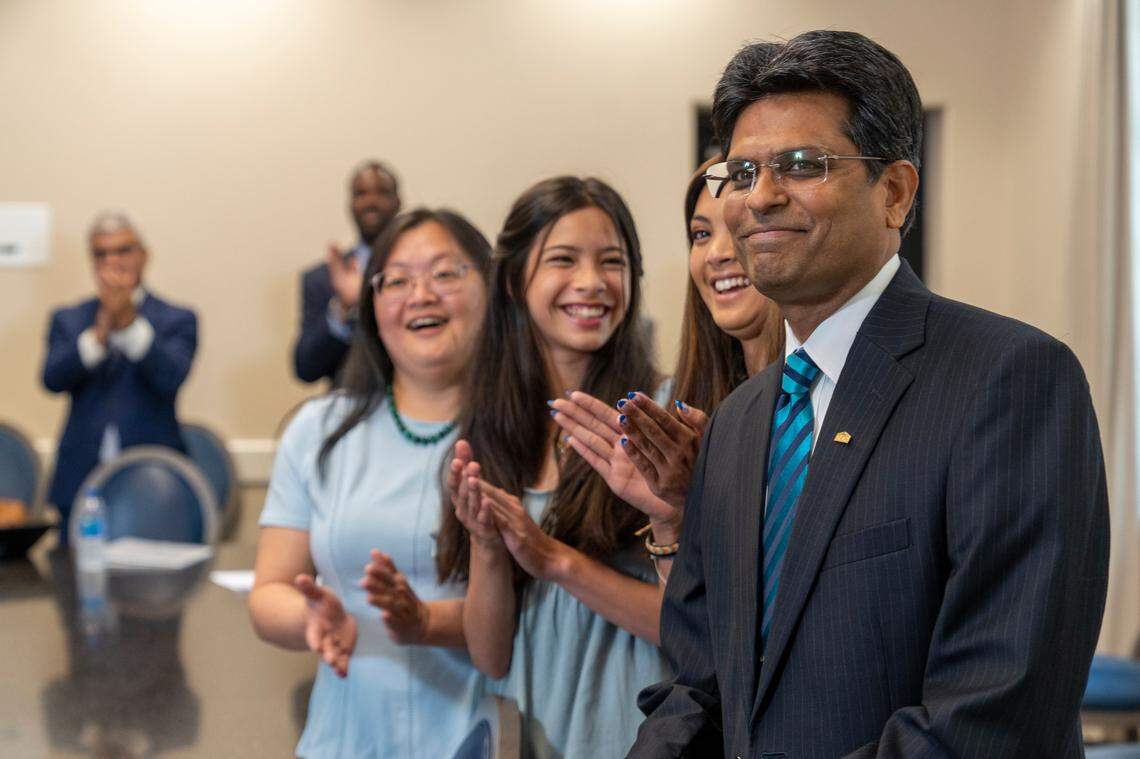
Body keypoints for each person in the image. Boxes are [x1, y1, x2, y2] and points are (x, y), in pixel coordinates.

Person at [631, 30, 1110, 758]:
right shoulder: (738, 423)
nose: (760, 197)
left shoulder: (1010, 381)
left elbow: (992, 716)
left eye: (802, 164)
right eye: (742, 170)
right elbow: (696, 683)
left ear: (894, 192)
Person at [431, 176, 671, 758]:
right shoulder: (488, 436)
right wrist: (489, 546)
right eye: (563, 260)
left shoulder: (662, 420)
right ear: (515, 281)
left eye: (611, 262)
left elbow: (689, 626)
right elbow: (490, 656)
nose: (591, 283)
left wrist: (556, 561)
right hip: (527, 738)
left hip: (634, 736)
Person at [250, 208, 491, 758]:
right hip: (344, 738)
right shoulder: (319, 430)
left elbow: (541, 609)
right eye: (397, 280)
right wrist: (309, 615)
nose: (420, 294)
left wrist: (427, 621)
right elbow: (269, 591)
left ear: (492, 289)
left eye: (445, 273)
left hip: (478, 734)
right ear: (373, 307)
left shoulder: (526, 434)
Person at [549, 154, 785, 582]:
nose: (716, 254)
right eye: (700, 234)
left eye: (738, 228)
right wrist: (670, 517)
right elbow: (690, 629)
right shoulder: (696, 405)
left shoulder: (812, 405)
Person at [42, 212, 198, 537]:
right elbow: (52, 379)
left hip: (155, 480)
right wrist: (97, 336)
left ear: (143, 254)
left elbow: (170, 377)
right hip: (78, 480)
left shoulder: (176, 319)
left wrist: (127, 322)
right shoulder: (69, 319)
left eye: (123, 250)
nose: (112, 260)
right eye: (101, 253)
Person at [293, 160, 401, 384]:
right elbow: (305, 368)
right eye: (361, 194)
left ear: (398, 202)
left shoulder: (424, 272)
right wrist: (344, 309)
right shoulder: (321, 279)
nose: (371, 202)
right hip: (350, 410)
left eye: (382, 192)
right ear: (350, 204)